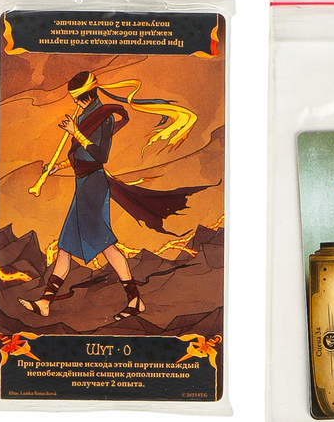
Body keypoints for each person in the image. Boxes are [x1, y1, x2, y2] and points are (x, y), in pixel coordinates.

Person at [20, 71, 209, 321]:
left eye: (77, 99)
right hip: (83, 184)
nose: (75, 103)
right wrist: (59, 167)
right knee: (66, 246)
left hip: (93, 186)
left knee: (105, 245)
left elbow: (99, 156)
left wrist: (76, 132)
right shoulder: (84, 116)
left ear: (87, 96)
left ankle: (134, 300)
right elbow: (82, 155)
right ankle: (46, 302)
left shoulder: (104, 117)